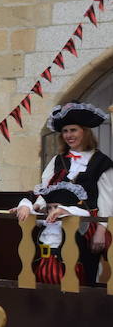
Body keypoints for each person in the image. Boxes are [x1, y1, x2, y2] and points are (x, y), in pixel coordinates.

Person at [14, 103, 113, 287]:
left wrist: (101, 230)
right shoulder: (57, 160)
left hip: (84, 227)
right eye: (65, 131)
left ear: (85, 131)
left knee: (82, 274)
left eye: (73, 130)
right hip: (55, 224)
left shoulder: (102, 162)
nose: (69, 135)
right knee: (51, 273)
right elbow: (46, 190)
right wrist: (32, 206)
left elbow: (107, 200)